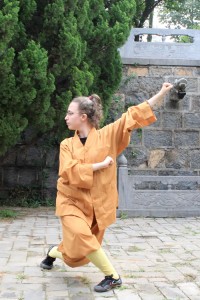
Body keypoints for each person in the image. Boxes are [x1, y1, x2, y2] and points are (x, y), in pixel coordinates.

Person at [40, 82, 173, 292]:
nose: (66, 117)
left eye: (69, 113)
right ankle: (113, 276)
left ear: (83, 116)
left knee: (76, 252)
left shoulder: (108, 135)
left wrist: (161, 93)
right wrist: (98, 166)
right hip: (70, 200)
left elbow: (133, 115)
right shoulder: (66, 144)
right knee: (82, 237)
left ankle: (53, 252)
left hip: (96, 204)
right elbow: (68, 170)